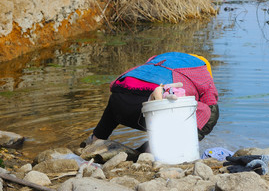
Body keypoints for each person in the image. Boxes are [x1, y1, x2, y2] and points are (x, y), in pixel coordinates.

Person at [82, 52, 219, 149]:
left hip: (118, 102)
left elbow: (114, 86)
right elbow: (211, 104)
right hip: (151, 109)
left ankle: (95, 140)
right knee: (209, 111)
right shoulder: (201, 70)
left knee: (121, 94)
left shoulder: (159, 59)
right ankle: (166, 149)